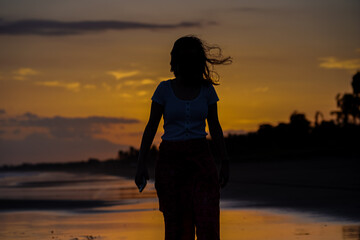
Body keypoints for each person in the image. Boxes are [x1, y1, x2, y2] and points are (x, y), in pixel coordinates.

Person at [135, 35, 231, 240]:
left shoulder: (207, 90)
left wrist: (224, 160)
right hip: (171, 163)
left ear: (198, 62)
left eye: (192, 60)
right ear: (175, 62)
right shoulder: (163, 90)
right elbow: (151, 127)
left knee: (208, 222)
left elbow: (215, 126)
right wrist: (141, 162)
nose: (187, 65)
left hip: (201, 161)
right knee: (177, 225)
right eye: (183, 59)